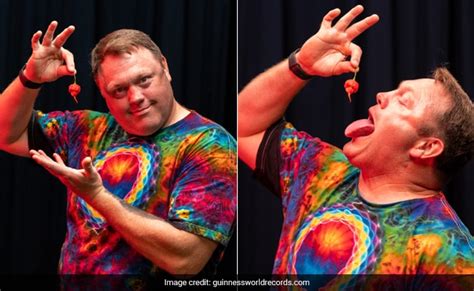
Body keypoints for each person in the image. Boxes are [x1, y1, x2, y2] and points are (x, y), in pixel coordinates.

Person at [238, 4, 473, 278]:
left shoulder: (448, 254)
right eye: (394, 90)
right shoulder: (322, 170)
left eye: (404, 100)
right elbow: (244, 127)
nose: (382, 94)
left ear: (426, 147)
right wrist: (301, 65)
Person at [0, 21, 236, 275]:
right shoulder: (87, 128)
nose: (135, 98)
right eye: (119, 90)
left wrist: (97, 196)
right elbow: (6, 135)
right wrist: (30, 78)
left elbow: (186, 260)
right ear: (102, 92)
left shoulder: (210, 145)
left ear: (165, 68)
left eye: (144, 80)